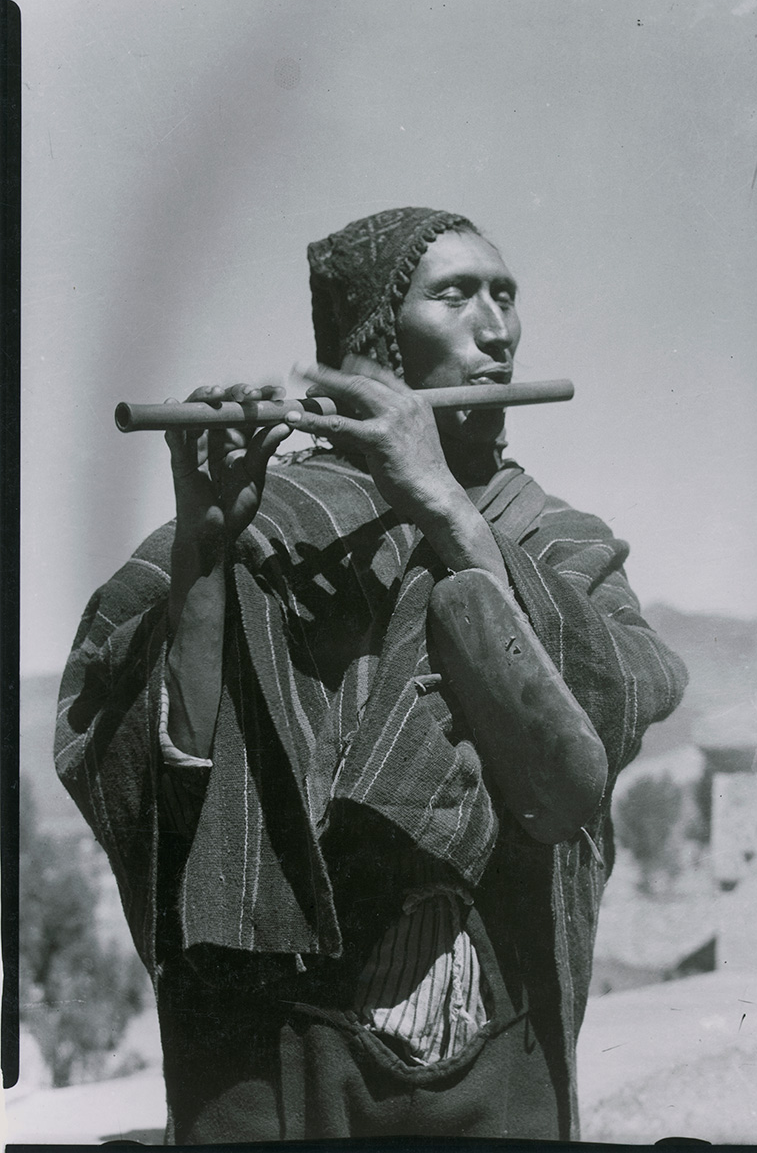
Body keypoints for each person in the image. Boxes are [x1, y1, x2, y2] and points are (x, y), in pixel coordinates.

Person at [55, 207, 687, 1143]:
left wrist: (440, 505)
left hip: (502, 1045)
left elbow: (620, 700)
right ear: (376, 346)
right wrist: (203, 557)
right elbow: (152, 776)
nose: (496, 327)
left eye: (505, 295)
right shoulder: (264, 524)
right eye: (456, 294)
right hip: (282, 1053)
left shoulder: (563, 542)